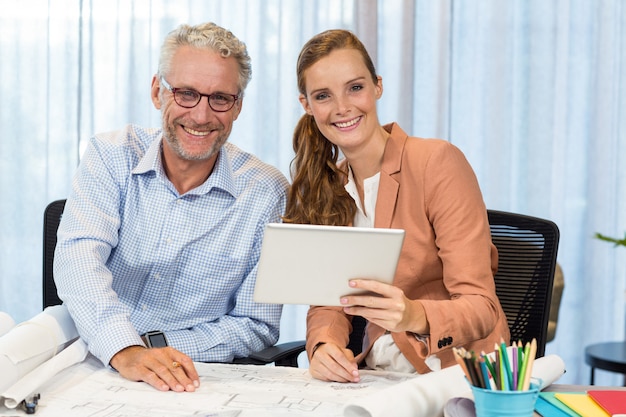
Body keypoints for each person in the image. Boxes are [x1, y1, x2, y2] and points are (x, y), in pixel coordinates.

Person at [54, 22, 289, 392]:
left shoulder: (266, 193)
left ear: (238, 106)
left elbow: (255, 323)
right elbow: (78, 261)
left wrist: (154, 351)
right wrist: (124, 348)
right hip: (88, 360)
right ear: (157, 92)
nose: (200, 115)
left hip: (190, 376)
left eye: (220, 98)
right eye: (186, 94)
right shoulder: (110, 156)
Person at [284, 29, 510, 383]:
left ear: (378, 86)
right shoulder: (332, 185)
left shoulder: (437, 162)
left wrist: (413, 315)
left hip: (456, 374)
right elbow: (330, 301)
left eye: (355, 87)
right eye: (323, 96)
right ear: (307, 106)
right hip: (377, 376)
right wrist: (324, 346)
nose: (342, 107)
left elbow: (482, 307)